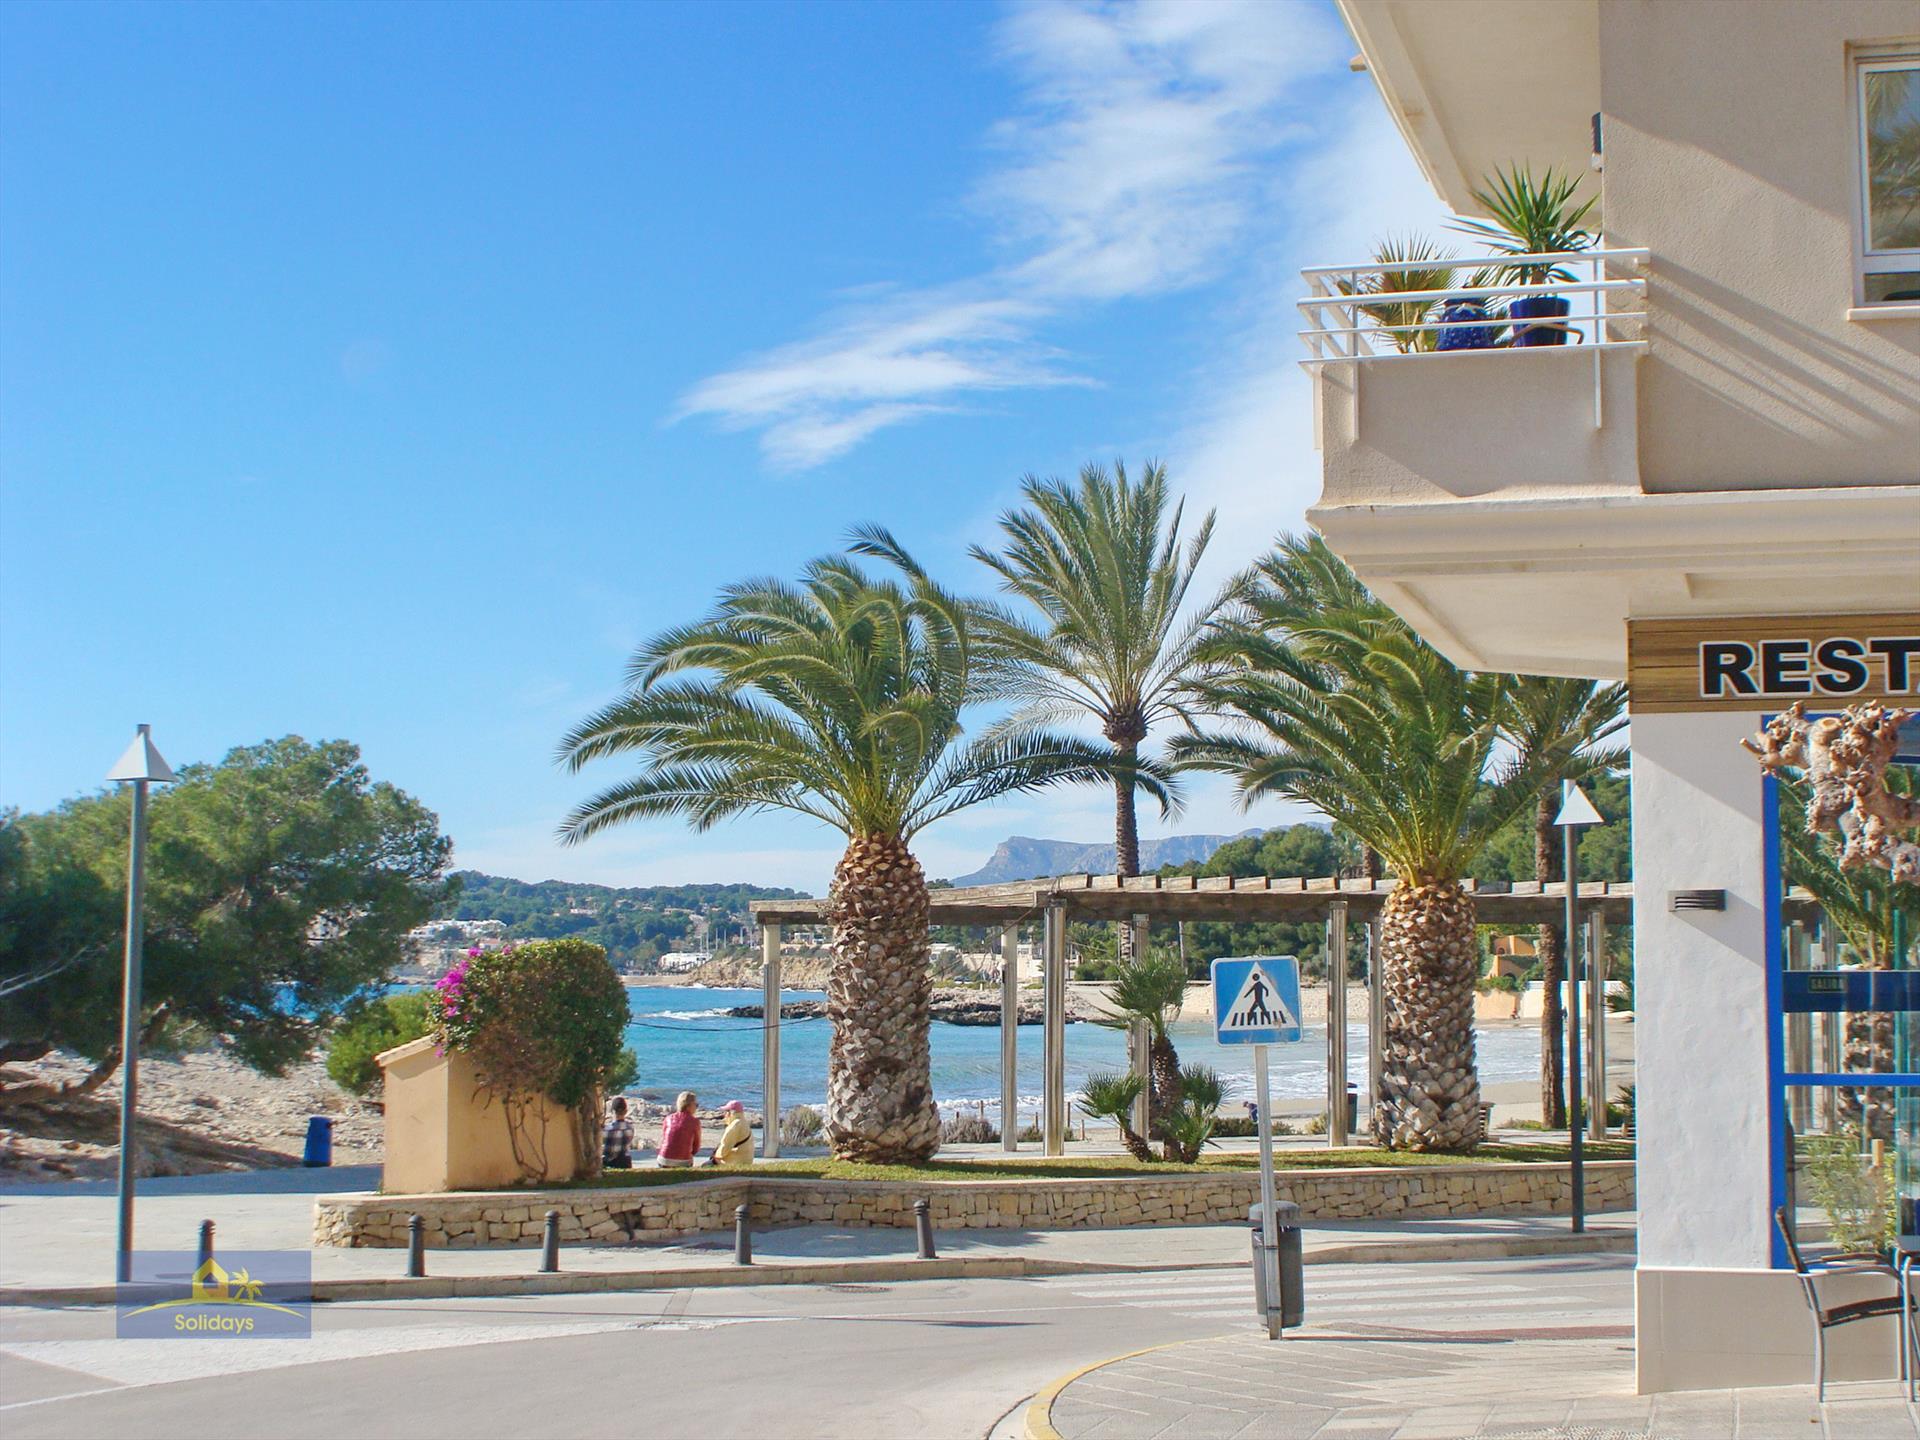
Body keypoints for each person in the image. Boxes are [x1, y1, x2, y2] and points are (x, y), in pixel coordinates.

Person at [656, 1091, 701, 1168]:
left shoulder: (668, 1118)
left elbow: (665, 1139)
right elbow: (696, 1147)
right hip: (683, 1161)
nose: (697, 1108)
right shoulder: (695, 1121)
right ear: (689, 1106)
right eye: (696, 1105)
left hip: (664, 1159)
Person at [709, 1100, 754, 1168]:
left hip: (736, 1161)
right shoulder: (744, 1122)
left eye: (726, 1111)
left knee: (706, 1165)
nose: (725, 1115)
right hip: (747, 1159)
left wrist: (716, 1156)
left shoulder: (735, 1125)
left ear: (731, 1113)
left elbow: (725, 1145)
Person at [602, 1096, 635, 1170]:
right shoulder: (630, 1127)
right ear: (626, 1111)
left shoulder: (608, 1129)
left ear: (612, 1111)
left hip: (611, 1163)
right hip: (625, 1162)